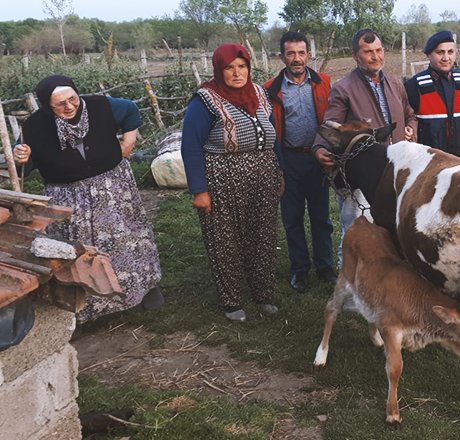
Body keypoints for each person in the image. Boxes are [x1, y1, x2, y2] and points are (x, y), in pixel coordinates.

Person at [13, 75, 163, 330]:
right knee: (79, 251)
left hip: (113, 187)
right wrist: (21, 156)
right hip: (69, 196)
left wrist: (129, 141)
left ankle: (145, 288)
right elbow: (23, 167)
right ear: (46, 107)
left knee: (128, 237)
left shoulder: (101, 106)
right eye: (59, 104)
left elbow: (130, 110)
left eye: (72, 98)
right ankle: (81, 308)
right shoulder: (35, 127)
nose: (69, 106)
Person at [181, 43, 283, 321]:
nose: (237, 73)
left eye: (242, 66)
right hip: (222, 178)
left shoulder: (260, 94)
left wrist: (280, 172)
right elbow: (190, 146)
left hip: (264, 174)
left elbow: (274, 136)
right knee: (224, 238)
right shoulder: (205, 100)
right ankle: (231, 300)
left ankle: (263, 294)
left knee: (263, 234)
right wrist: (199, 190)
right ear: (219, 70)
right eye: (230, 68)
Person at [312, 28, 417, 267]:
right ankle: (349, 291)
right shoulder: (344, 88)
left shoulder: (395, 84)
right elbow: (331, 127)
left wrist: (410, 128)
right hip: (361, 174)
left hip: (395, 170)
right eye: (368, 52)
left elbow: (411, 115)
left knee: (392, 228)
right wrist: (318, 149)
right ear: (354, 55)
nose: (375, 56)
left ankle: (386, 283)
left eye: (378, 50)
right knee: (356, 230)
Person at [263, 31, 337, 293]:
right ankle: (299, 270)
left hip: (318, 159)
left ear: (308, 54)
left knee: (321, 218)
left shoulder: (324, 83)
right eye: (291, 53)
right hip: (289, 159)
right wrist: (277, 166)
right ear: (282, 56)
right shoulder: (270, 89)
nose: (296, 58)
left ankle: (325, 266)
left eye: (301, 52)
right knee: (292, 219)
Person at [405, 30, 460, 161]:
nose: (446, 58)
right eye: (440, 52)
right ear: (428, 55)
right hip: (429, 164)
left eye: (450, 52)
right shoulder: (415, 86)